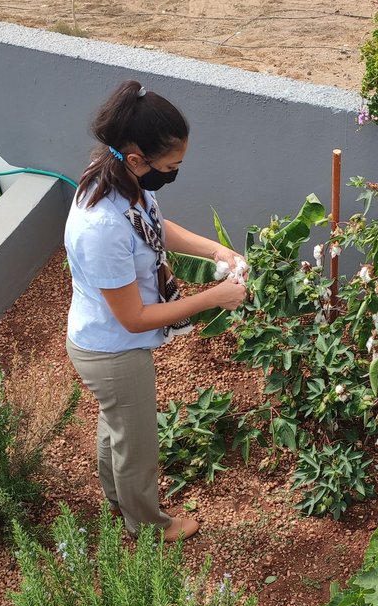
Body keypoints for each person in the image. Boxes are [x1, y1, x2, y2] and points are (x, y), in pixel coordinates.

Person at [64, 79, 247, 541]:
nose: (174, 172)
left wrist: (215, 252)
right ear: (138, 158)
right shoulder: (101, 227)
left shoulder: (119, 178)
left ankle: (117, 500)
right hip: (113, 350)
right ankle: (147, 525)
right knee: (137, 442)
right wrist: (212, 299)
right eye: (172, 165)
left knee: (118, 426)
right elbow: (134, 318)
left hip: (108, 342)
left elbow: (155, 225)